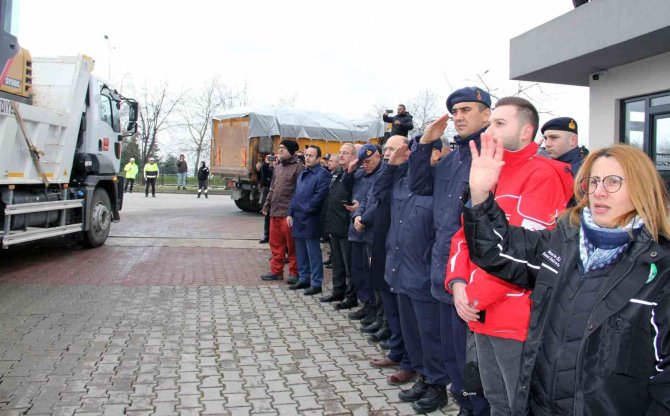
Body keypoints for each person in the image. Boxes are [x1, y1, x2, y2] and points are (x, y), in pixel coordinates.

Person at [462, 140, 670, 415]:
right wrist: (480, 194)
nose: (599, 192)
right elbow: (496, 250)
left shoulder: (660, 267)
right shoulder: (563, 242)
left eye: (613, 182)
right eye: (593, 182)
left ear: (641, 187)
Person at [446, 97, 573, 416]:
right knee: (496, 399)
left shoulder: (542, 175)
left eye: (501, 124)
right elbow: (463, 233)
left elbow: (522, 254)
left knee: (519, 405)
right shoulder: (490, 172)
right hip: (480, 313)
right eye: (491, 124)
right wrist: (458, 283)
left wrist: (473, 298)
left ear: (527, 131)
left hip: (516, 317)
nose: (491, 130)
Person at [408, 86, 493, 416]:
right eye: (455, 111)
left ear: (487, 114)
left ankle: (477, 408)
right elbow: (418, 184)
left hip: (475, 278)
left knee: (474, 358)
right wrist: (426, 142)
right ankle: (465, 404)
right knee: (453, 355)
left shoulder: (490, 157)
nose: (458, 116)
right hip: (444, 272)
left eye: (466, 110)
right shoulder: (452, 159)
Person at [371, 136, 449, 408]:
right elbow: (377, 194)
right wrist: (390, 166)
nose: (412, 156)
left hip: (424, 274)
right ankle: (423, 376)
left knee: (430, 335)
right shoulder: (402, 182)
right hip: (399, 270)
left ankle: (436, 384)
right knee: (412, 333)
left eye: (419, 152)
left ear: (436, 155)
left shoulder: (440, 184)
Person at [340, 144, 383, 321]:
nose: (365, 165)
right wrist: (349, 172)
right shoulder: (361, 172)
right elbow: (347, 187)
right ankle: (366, 304)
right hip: (356, 227)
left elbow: (375, 202)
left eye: (368, 162)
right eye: (362, 162)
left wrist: (362, 216)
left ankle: (374, 308)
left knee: (369, 273)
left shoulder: (382, 175)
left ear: (378, 157)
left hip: (369, 230)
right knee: (358, 270)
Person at [287, 145, 331, 296]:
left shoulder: (323, 174)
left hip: (311, 218)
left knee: (313, 253)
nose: (307, 158)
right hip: (298, 217)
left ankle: (316, 283)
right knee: (300, 252)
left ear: (318, 158)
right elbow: (295, 194)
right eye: (306, 155)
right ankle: (304, 278)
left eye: (311, 156)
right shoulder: (303, 173)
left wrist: (304, 209)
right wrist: (290, 212)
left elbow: (319, 197)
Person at [260, 140, 303, 282]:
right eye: (280, 148)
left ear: (291, 151)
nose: (280, 150)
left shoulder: (299, 168)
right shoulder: (278, 167)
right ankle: (276, 271)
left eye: (283, 148)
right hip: (275, 211)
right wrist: (267, 204)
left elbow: (299, 191)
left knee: (292, 245)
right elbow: (272, 188)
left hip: (288, 213)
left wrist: (294, 211)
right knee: (275, 244)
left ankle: (294, 272)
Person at [320, 143, 357, 304]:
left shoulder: (355, 174)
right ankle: (338, 291)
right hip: (334, 224)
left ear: (354, 157)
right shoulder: (338, 173)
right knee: (337, 262)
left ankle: (351, 297)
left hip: (346, 226)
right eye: (340, 152)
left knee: (349, 266)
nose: (341, 155)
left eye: (346, 153)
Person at [257, 155, 275, 244]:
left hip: (278, 197)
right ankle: (267, 236)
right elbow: (263, 179)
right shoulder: (269, 169)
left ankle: (273, 237)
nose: (274, 160)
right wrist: (265, 165)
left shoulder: (281, 168)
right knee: (267, 217)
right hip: (268, 193)